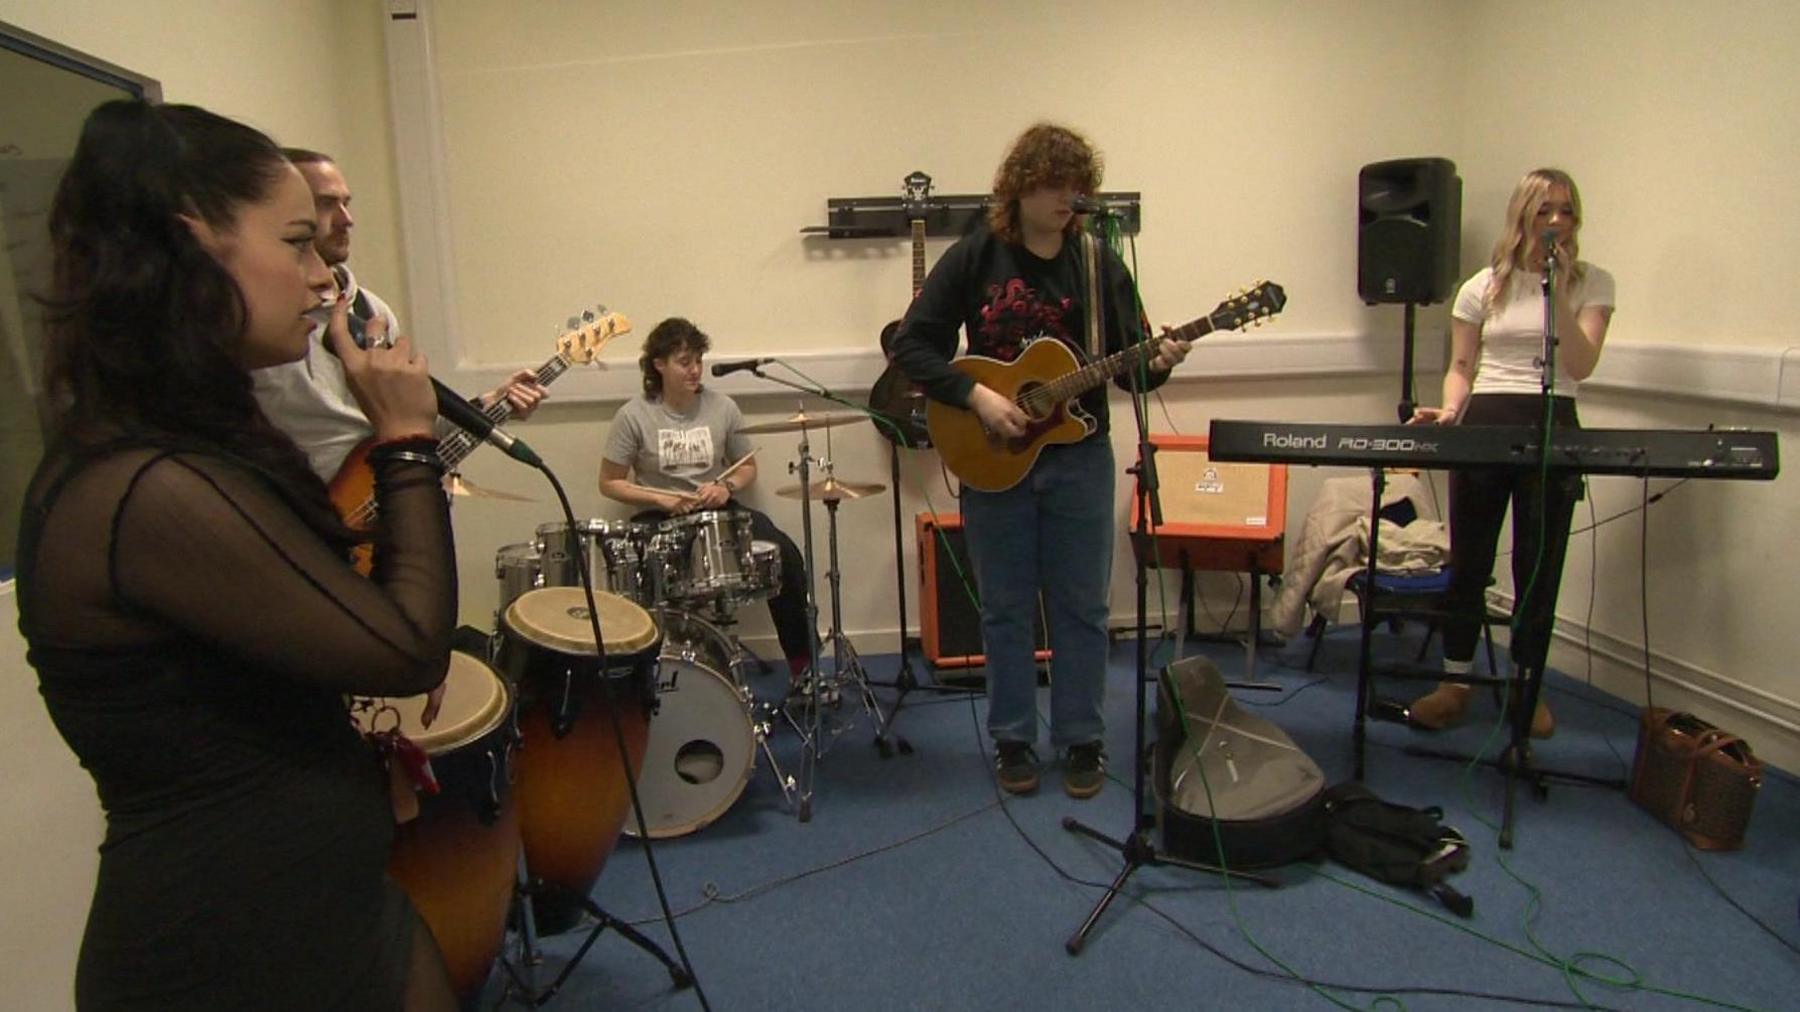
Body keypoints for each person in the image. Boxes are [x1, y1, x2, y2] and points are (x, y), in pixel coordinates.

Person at [17, 100, 461, 1009]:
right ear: (194, 249)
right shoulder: (147, 486)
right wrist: (408, 442)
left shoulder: (199, 440)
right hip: (228, 949)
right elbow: (407, 646)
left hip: (326, 909)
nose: (322, 275)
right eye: (297, 242)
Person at [889, 123, 1192, 798]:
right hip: (994, 458)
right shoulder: (976, 258)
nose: (1068, 198)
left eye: (1078, 187)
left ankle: (1082, 740)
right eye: (1055, 185)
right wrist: (978, 397)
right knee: (1004, 608)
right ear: (1020, 189)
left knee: (1082, 606)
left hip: (1079, 457)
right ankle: (1013, 739)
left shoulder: (1099, 263)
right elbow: (914, 345)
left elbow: (1133, 375)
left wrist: (1161, 361)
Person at [1406, 168, 1616, 738]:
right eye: (1544, 209)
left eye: (1566, 210)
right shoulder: (1481, 286)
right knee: (1470, 560)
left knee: (1538, 565)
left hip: (1554, 423)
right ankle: (1454, 682)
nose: (1555, 220)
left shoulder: (1592, 283)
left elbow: (1581, 364)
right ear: (1522, 214)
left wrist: (1557, 291)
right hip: (1488, 421)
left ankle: (1527, 684)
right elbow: (1460, 367)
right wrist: (1450, 411)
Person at [253, 147, 547, 483]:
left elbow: (404, 423)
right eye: (326, 204)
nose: (347, 220)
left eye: (345, 204)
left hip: (386, 500)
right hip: (300, 513)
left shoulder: (371, 311)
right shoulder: (264, 322)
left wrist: (490, 402)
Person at [598, 317, 817, 685]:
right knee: (629, 570)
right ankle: (639, 677)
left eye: (698, 360)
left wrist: (727, 487)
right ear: (659, 365)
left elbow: (748, 468)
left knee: (784, 554)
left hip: (718, 511)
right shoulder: (633, 415)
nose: (695, 370)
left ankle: (804, 669)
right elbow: (609, 483)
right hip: (659, 516)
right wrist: (660, 498)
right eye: (685, 362)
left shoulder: (723, 408)